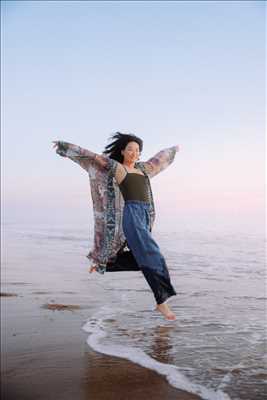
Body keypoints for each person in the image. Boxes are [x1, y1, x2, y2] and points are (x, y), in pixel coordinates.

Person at [52, 132, 180, 320]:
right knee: (154, 254)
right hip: (132, 216)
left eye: (137, 150)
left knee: (141, 259)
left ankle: (104, 264)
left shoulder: (144, 169)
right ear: (122, 151)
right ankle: (161, 302)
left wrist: (173, 150)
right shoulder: (119, 168)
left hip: (145, 216)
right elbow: (94, 158)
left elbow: (159, 161)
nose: (134, 152)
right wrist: (66, 148)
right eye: (130, 149)